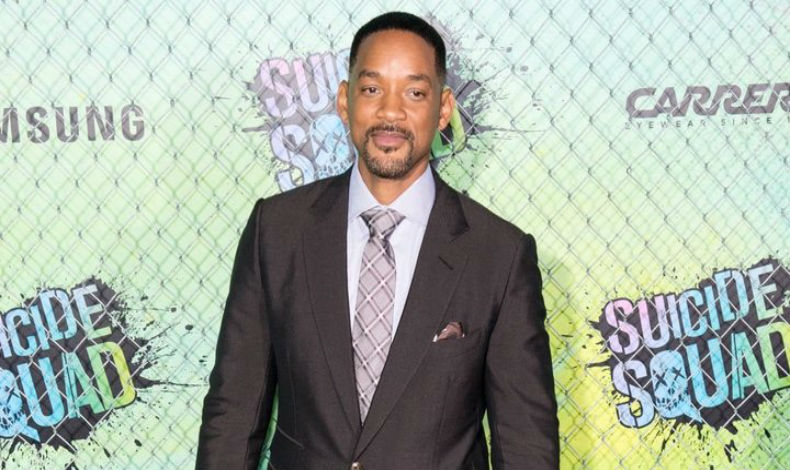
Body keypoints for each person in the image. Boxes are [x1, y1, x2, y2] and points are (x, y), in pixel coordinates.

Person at [196, 11, 558, 470]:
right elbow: (233, 415)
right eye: (371, 89)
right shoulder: (277, 232)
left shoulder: (499, 255)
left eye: (414, 92)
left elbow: (526, 445)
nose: (390, 112)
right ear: (344, 101)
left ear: (443, 108)